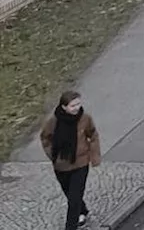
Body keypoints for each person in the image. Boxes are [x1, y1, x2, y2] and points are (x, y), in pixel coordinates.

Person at [40, 90, 101, 230]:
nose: (77, 108)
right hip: (61, 165)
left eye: (78, 104)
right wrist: (52, 155)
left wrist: (94, 156)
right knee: (70, 193)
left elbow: (93, 135)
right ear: (64, 107)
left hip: (80, 163)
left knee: (74, 199)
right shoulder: (53, 122)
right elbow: (45, 138)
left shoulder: (85, 118)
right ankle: (83, 210)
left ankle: (71, 226)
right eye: (73, 106)